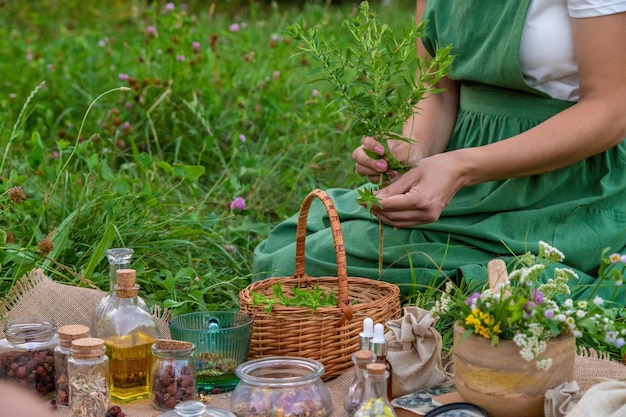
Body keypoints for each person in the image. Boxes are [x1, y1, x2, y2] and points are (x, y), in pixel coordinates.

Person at [253, 0, 626, 303]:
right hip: (465, 175)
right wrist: (415, 150)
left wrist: (462, 168)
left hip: (566, 184)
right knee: (293, 253)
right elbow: (437, 84)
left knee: (318, 264)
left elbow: (611, 110)